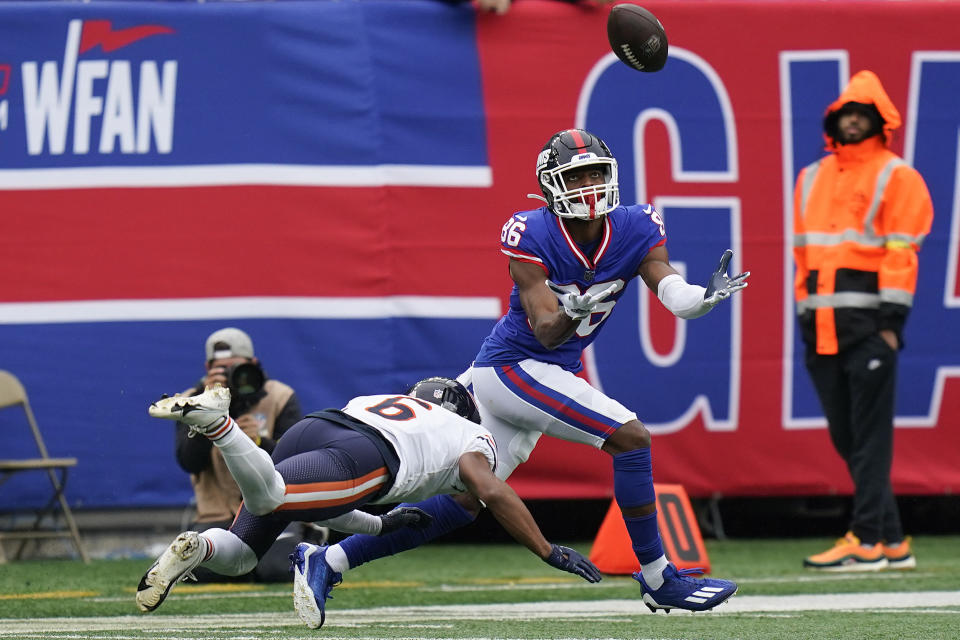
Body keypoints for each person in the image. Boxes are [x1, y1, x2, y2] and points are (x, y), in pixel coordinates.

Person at [313, 129, 748, 614]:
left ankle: (328, 560)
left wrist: (699, 300)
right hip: (513, 367)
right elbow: (545, 330)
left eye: (595, 174)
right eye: (575, 177)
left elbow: (669, 287)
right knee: (631, 438)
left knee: (465, 501)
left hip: (542, 372)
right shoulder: (530, 232)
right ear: (551, 185)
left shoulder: (636, 225)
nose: (588, 186)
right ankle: (657, 577)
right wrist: (573, 312)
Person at [137, 377, 601, 628]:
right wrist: (547, 549)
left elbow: (324, 504)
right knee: (272, 494)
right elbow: (492, 491)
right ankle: (220, 426)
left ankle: (197, 547)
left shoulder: (396, 403)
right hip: (364, 457)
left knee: (240, 555)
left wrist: (382, 526)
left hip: (318, 429)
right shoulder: (471, 435)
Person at [794, 71, 933, 572]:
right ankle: (894, 541)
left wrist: (891, 322)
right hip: (819, 326)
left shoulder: (898, 176)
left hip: (869, 325)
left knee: (870, 439)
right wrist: (804, 316)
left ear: (880, 121)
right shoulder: (810, 176)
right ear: (835, 121)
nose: (853, 120)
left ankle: (868, 539)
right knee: (847, 438)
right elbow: (805, 256)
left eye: (863, 113)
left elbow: (902, 256)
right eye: (846, 113)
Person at [174, 327, 307, 582]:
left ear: (253, 365)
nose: (232, 376)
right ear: (208, 368)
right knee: (201, 573)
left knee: (278, 568)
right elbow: (189, 462)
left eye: (237, 368)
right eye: (222, 369)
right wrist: (207, 416)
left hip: (273, 511)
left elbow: (298, 462)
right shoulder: (190, 401)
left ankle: (302, 539)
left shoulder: (280, 396)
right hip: (217, 516)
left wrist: (259, 442)